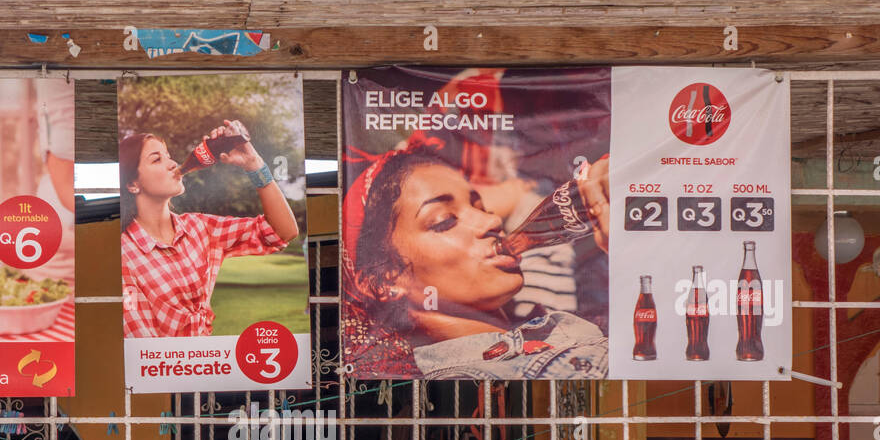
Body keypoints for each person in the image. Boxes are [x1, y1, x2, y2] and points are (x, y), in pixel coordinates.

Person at [341, 136, 609, 379]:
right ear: (385, 280)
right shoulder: (471, 383)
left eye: (481, 207)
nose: (492, 220)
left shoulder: (547, 325)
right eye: (444, 221)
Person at [120, 121, 300, 338]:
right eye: (157, 159)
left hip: (208, 364)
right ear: (132, 184)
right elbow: (142, 343)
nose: (172, 164)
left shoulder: (200, 228)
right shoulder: (123, 254)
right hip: (167, 368)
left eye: (168, 156)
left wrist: (254, 165)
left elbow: (282, 232)